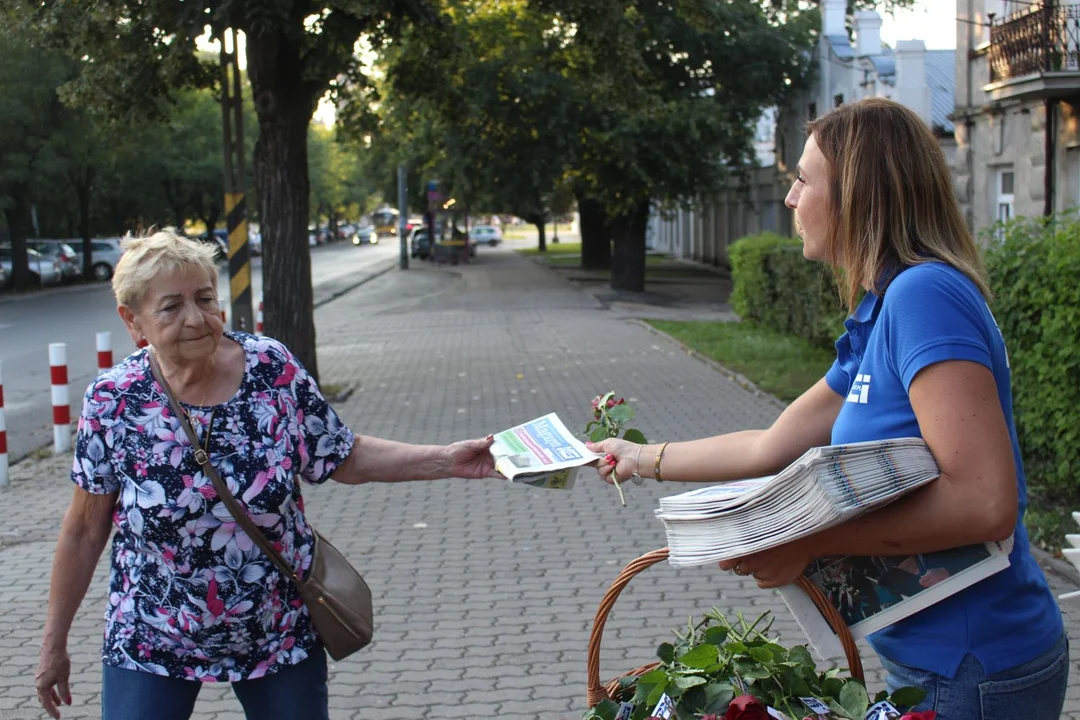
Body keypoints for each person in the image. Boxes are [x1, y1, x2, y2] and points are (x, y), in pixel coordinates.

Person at [589, 98, 1067, 720]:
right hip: (930, 661)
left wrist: (809, 545)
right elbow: (771, 444)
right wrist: (640, 457)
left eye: (803, 180)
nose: (790, 199)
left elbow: (984, 502)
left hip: (974, 666)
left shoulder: (925, 296)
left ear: (859, 195)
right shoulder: (884, 307)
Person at [34, 228, 497, 720]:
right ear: (134, 321)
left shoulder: (269, 369)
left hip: (276, 628)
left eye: (205, 299)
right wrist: (52, 644)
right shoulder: (113, 399)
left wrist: (448, 459)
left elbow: (343, 455)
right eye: (171, 307)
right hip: (153, 632)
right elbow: (84, 530)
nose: (196, 318)